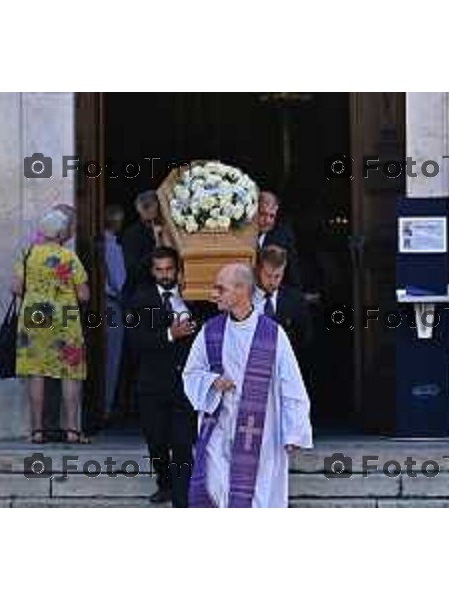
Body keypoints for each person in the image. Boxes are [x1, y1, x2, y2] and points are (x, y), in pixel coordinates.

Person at [183, 263, 313, 508]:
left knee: (258, 495)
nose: (213, 294)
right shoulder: (210, 331)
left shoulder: (272, 334)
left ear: (241, 291)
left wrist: (294, 429)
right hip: (219, 424)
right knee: (215, 485)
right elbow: (191, 373)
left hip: (262, 430)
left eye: (220, 289)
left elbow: (291, 384)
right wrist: (213, 382)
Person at [13, 208, 90, 444]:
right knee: (70, 373)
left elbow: (16, 288)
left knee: (37, 372)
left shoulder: (27, 254)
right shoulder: (68, 258)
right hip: (64, 318)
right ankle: (72, 431)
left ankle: (37, 431)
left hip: (35, 318)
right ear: (60, 233)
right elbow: (84, 295)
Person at [127, 246, 197, 506]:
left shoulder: (191, 296)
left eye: (169, 269)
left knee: (181, 443)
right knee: (156, 441)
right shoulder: (139, 299)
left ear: (177, 270)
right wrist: (170, 334)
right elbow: (134, 340)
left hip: (184, 385)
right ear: (152, 271)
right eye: (160, 270)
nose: (165, 274)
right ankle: (165, 483)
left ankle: (182, 498)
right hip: (152, 383)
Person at [254, 245, 313, 364]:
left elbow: (304, 338)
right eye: (268, 275)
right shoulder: (245, 298)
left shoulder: (295, 300)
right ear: (258, 270)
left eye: (277, 276)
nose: (272, 282)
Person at [104, 204, 127, 419]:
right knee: (112, 357)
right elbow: (120, 283)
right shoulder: (111, 246)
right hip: (110, 305)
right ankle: (106, 409)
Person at [122, 190, 165, 299]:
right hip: (142, 293)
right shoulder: (131, 235)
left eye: (155, 218)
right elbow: (134, 270)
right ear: (141, 212)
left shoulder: (167, 228)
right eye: (148, 220)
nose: (153, 223)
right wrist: (157, 244)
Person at [256, 191, 301, 289]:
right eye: (263, 214)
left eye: (272, 216)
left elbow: (292, 271)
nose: (267, 221)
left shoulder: (283, 237)